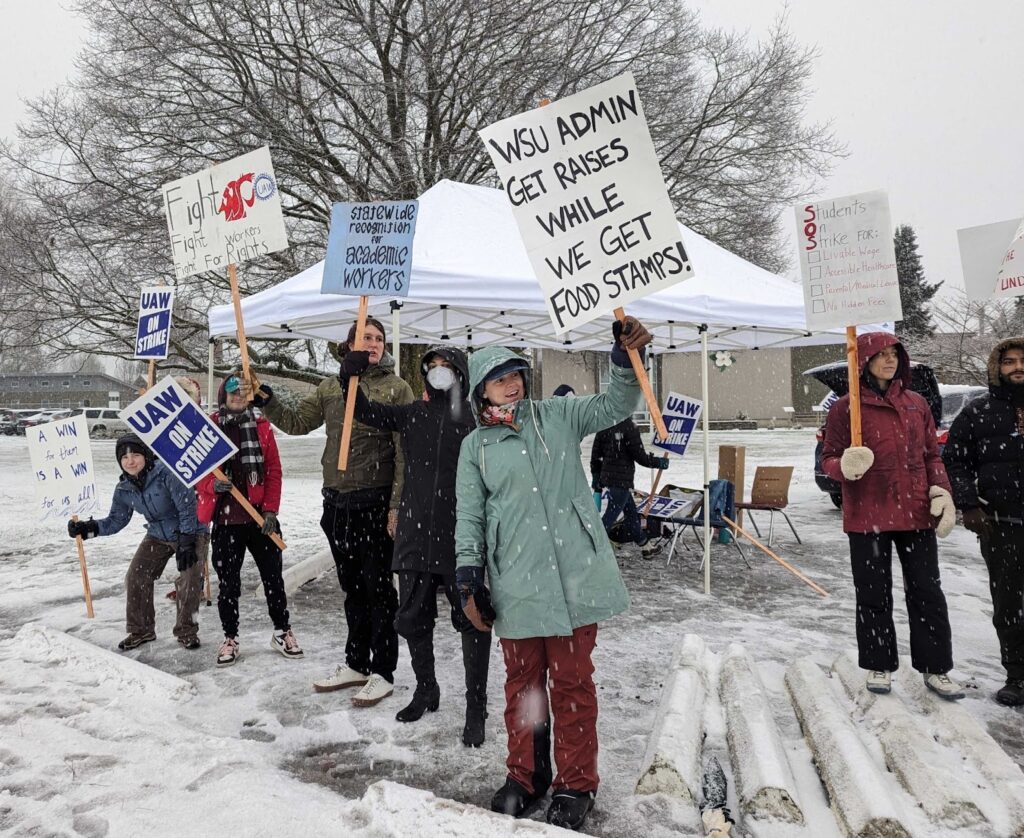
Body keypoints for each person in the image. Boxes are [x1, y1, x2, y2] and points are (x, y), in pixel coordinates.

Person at [455, 317, 651, 832]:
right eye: (500, 378)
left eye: (516, 373)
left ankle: (575, 783)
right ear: (481, 390)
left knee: (571, 685)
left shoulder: (558, 416)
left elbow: (615, 405)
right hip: (514, 584)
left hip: (573, 579)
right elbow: (469, 515)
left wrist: (623, 360)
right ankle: (525, 776)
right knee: (523, 688)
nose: (513, 383)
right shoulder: (475, 447)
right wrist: (468, 574)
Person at [255, 318, 413, 705]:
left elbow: (405, 453)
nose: (372, 344)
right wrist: (267, 400)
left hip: (374, 501)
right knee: (352, 590)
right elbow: (296, 422)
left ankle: (383, 670)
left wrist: (396, 506)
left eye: (378, 339)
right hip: (337, 503)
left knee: (379, 591)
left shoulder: (396, 387)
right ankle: (356, 662)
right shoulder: (330, 386)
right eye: (365, 338)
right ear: (348, 345)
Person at [341, 345, 489, 745]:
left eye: (447, 367)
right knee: (412, 619)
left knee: (472, 621)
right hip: (414, 535)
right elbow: (363, 411)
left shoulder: (475, 422)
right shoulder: (412, 414)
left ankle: (476, 706)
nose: (439, 372)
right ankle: (427, 687)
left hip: (461, 537)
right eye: (433, 367)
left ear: (461, 373)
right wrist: (349, 376)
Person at [820, 332, 962, 699]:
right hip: (868, 512)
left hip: (915, 511)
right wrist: (844, 467)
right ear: (863, 361)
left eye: (894, 354)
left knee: (927, 591)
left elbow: (932, 455)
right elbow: (828, 458)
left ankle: (936, 667)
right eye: (880, 355)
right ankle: (878, 664)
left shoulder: (916, 404)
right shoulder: (845, 409)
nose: (889, 360)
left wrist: (941, 490)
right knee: (873, 593)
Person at [195, 374, 301, 667]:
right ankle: (230, 636)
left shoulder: (262, 426)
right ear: (223, 396)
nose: (238, 396)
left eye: (243, 392)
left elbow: (273, 470)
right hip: (227, 520)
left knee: (273, 580)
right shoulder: (211, 427)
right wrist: (209, 486)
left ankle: (282, 631)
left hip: (259, 518)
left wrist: (270, 511)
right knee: (229, 584)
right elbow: (196, 471)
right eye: (232, 392)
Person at [942, 337, 1024, 706]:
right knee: (1010, 603)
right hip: (1002, 523)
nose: (1017, 367)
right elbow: (955, 461)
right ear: (997, 368)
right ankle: (1018, 675)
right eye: (1009, 362)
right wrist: (968, 504)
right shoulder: (977, 412)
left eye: (1023, 361)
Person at [68, 433, 202, 651]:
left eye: (135, 454)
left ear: (146, 456)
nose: (130, 461)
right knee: (137, 575)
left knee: (189, 577)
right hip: (158, 534)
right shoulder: (123, 489)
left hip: (190, 530)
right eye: (124, 457)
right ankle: (141, 630)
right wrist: (88, 529)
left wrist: (187, 540)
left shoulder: (166, 473)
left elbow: (187, 506)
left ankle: (186, 631)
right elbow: (116, 521)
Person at [590, 417, 670, 559]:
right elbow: (640, 456)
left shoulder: (605, 423)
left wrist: (597, 476)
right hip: (621, 481)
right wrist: (659, 462)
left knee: (631, 515)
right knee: (609, 518)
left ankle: (646, 547)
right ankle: (590, 551)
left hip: (610, 478)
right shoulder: (628, 426)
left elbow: (595, 455)